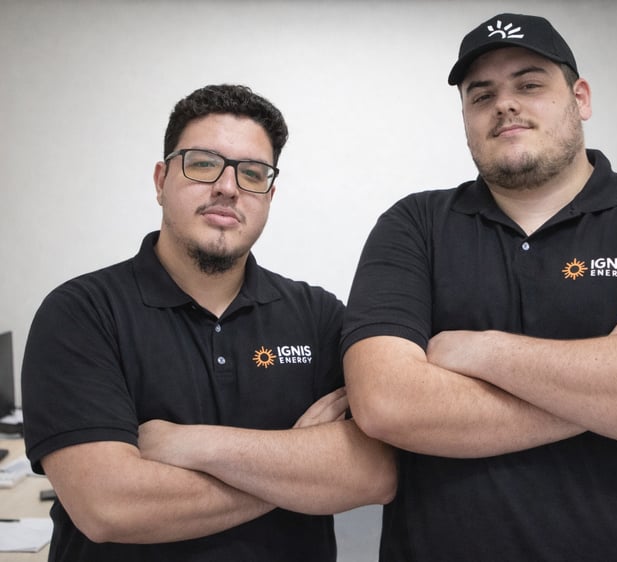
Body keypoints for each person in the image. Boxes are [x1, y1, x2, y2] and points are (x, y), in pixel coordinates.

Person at [341, 13, 617, 562]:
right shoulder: (414, 226)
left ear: (580, 98)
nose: (505, 104)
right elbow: (387, 404)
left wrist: (481, 351)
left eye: (530, 85)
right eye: (481, 95)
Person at [21, 84, 396, 561]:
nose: (228, 187)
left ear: (270, 195)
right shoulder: (81, 314)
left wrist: (193, 445)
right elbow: (109, 507)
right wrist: (297, 463)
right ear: (161, 180)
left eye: (252, 173)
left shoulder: (319, 317)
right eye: (202, 164)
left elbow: (375, 473)